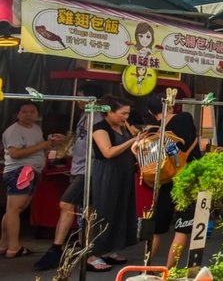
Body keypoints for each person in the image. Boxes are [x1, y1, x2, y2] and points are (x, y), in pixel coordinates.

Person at [34, 83, 103, 271]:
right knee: (85, 212)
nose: (77, 99)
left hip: (87, 171)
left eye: (79, 95)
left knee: (67, 204)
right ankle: (86, 250)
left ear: (90, 98)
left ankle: (58, 249)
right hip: (78, 168)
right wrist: (66, 145)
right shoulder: (85, 115)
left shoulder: (96, 117)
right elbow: (81, 141)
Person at [89, 96, 148, 272]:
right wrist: (132, 141)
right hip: (107, 173)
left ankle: (109, 249)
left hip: (124, 172)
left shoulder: (124, 127)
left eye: (128, 114)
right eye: (123, 113)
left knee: (120, 210)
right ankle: (93, 254)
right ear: (109, 111)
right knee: (104, 211)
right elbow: (107, 152)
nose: (126, 117)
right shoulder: (99, 128)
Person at [142, 98, 202, 269]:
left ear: (151, 113)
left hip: (166, 180)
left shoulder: (153, 133)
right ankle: (169, 270)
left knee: (157, 228)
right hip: (189, 177)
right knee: (182, 227)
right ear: (169, 106)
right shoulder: (184, 118)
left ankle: (145, 267)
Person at [1, 103, 64, 258]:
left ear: (37, 114)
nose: (28, 114)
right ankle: (14, 247)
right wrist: (42, 145)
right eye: (24, 112)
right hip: (19, 172)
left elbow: (39, 148)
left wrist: (50, 145)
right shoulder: (13, 131)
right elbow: (15, 153)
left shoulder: (36, 128)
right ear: (18, 114)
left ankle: (3, 244)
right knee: (14, 209)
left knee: (14, 210)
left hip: (32, 171)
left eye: (32, 111)